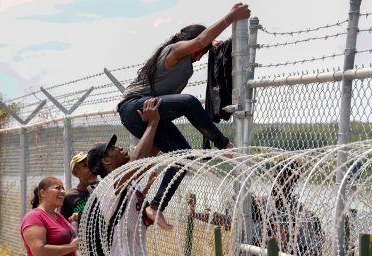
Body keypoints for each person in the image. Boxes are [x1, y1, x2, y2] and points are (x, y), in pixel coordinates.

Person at [117, 2, 251, 230]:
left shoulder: (186, 60)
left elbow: (201, 44)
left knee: (185, 158)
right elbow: (198, 42)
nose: (199, 57)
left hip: (153, 114)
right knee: (189, 101)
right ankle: (224, 144)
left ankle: (156, 206)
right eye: (200, 52)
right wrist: (230, 17)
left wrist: (212, 45)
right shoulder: (174, 51)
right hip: (134, 107)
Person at [187, 160, 325, 255]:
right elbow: (230, 221)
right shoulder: (261, 204)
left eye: (285, 180)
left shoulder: (298, 213)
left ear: (293, 182)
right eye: (278, 178)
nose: (280, 184)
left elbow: (311, 245)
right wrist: (196, 214)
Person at [82, 97, 161, 256]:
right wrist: (152, 123)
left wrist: (159, 121)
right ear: (106, 160)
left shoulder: (128, 184)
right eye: (113, 148)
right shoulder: (108, 185)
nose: (120, 148)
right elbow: (138, 162)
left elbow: (151, 153)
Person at [20, 176, 78, 256]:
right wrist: (71, 247)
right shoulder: (33, 216)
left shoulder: (58, 216)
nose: (63, 191)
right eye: (57, 188)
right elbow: (39, 252)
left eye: (63, 188)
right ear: (43, 193)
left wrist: (76, 221)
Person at [60, 152, 98, 223]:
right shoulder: (68, 196)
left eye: (92, 165)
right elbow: (62, 224)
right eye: (86, 166)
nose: (92, 169)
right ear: (75, 173)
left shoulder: (104, 192)